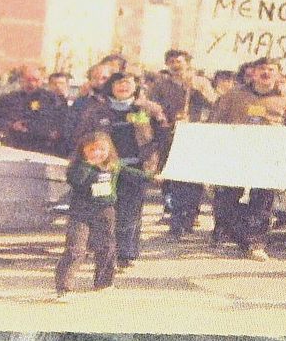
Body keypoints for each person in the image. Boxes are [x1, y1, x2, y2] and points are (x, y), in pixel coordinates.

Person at [208, 57, 286, 261]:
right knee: (225, 200)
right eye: (261, 69)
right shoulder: (234, 94)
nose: (266, 73)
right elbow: (216, 121)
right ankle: (239, 234)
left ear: (278, 74)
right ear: (253, 72)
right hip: (236, 154)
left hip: (268, 156)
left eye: (271, 69)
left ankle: (255, 243)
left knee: (262, 201)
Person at [73, 72, 169, 269]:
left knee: (130, 212)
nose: (123, 87)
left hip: (136, 168)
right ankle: (102, 251)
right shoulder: (98, 110)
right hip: (105, 168)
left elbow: (163, 137)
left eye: (128, 83)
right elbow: (82, 136)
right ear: (111, 86)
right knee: (104, 209)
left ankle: (125, 254)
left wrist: (158, 164)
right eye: (118, 83)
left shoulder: (150, 109)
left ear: (136, 86)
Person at [54, 132, 162, 302]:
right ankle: (64, 288)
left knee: (107, 246)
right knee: (76, 249)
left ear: (109, 150)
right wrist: (88, 166)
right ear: (83, 150)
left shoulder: (114, 166)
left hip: (105, 211)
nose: (97, 153)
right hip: (81, 213)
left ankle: (104, 283)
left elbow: (132, 174)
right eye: (92, 149)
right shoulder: (78, 167)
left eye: (101, 149)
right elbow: (76, 181)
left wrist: (153, 177)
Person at [148, 49, 218, 240]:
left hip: (194, 135)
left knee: (193, 179)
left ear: (187, 62)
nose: (175, 64)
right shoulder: (160, 84)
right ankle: (177, 220)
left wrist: (198, 89)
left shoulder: (200, 82)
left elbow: (215, 103)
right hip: (170, 134)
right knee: (174, 177)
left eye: (178, 61)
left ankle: (190, 215)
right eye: (171, 61)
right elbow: (151, 104)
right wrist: (159, 114)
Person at [0, 64, 66, 156]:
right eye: (28, 80)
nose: (32, 84)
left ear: (41, 80)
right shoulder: (8, 99)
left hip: (42, 148)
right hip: (14, 147)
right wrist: (12, 125)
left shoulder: (52, 100)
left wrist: (33, 127)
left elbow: (58, 123)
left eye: (36, 80)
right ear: (21, 80)